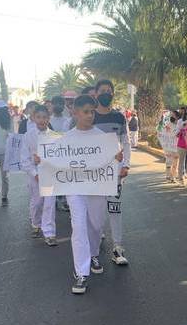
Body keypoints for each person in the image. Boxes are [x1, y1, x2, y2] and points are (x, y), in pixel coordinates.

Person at [47, 95, 123, 294]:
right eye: (86, 112)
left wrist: (118, 160)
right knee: (79, 226)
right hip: (75, 189)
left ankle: (94, 254)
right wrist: (42, 160)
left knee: (96, 225)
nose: (90, 115)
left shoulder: (103, 138)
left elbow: (115, 160)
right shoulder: (66, 139)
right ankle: (81, 272)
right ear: (75, 113)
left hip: (97, 188)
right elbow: (54, 161)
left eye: (92, 112)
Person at [93, 79, 131, 266]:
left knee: (115, 209)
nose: (106, 94)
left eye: (109, 91)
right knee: (96, 211)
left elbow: (126, 143)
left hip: (114, 173)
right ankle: (95, 243)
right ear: (96, 94)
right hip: (94, 174)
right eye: (102, 91)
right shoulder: (90, 117)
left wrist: (126, 165)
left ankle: (117, 247)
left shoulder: (119, 117)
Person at [21, 105, 58, 246]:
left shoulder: (55, 136)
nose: (42, 120)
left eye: (44, 117)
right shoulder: (28, 135)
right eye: (39, 117)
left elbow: (59, 156)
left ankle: (49, 232)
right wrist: (34, 172)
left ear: (49, 118)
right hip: (34, 174)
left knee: (49, 203)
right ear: (33, 118)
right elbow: (24, 158)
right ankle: (36, 223)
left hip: (49, 174)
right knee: (37, 202)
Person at [176, 108, 187, 186]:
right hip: (181, 145)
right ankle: (180, 179)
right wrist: (182, 127)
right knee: (181, 161)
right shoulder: (180, 121)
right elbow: (176, 133)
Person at [159, 111, 180, 182]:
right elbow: (162, 133)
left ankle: (173, 176)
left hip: (176, 146)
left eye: (173, 115)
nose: (171, 116)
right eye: (171, 115)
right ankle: (168, 175)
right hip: (169, 146)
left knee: (175, 163)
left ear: (177, 116)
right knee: (168, 162)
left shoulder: (179, 124)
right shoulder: (168, 124)